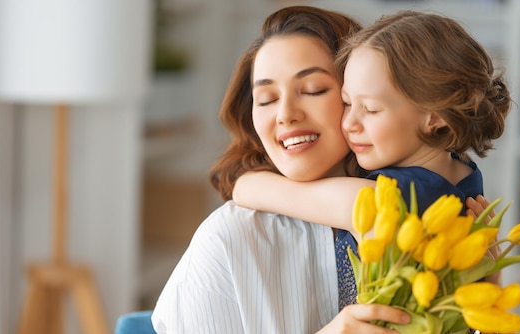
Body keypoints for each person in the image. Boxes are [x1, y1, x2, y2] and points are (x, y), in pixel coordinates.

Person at [152, 6, 491, 333]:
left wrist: (484, 299)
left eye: (314, 90)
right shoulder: (230, 239)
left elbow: (368, 206)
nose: (285, 114)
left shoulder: (416, 194)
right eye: (266, 99)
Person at [232, 10, 509, 294]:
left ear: (435, 115)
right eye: (347, 103)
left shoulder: (381, 201)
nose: (349, 123)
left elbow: (249, 190)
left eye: (371, 109)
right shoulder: (464, 172)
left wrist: (242, 180)